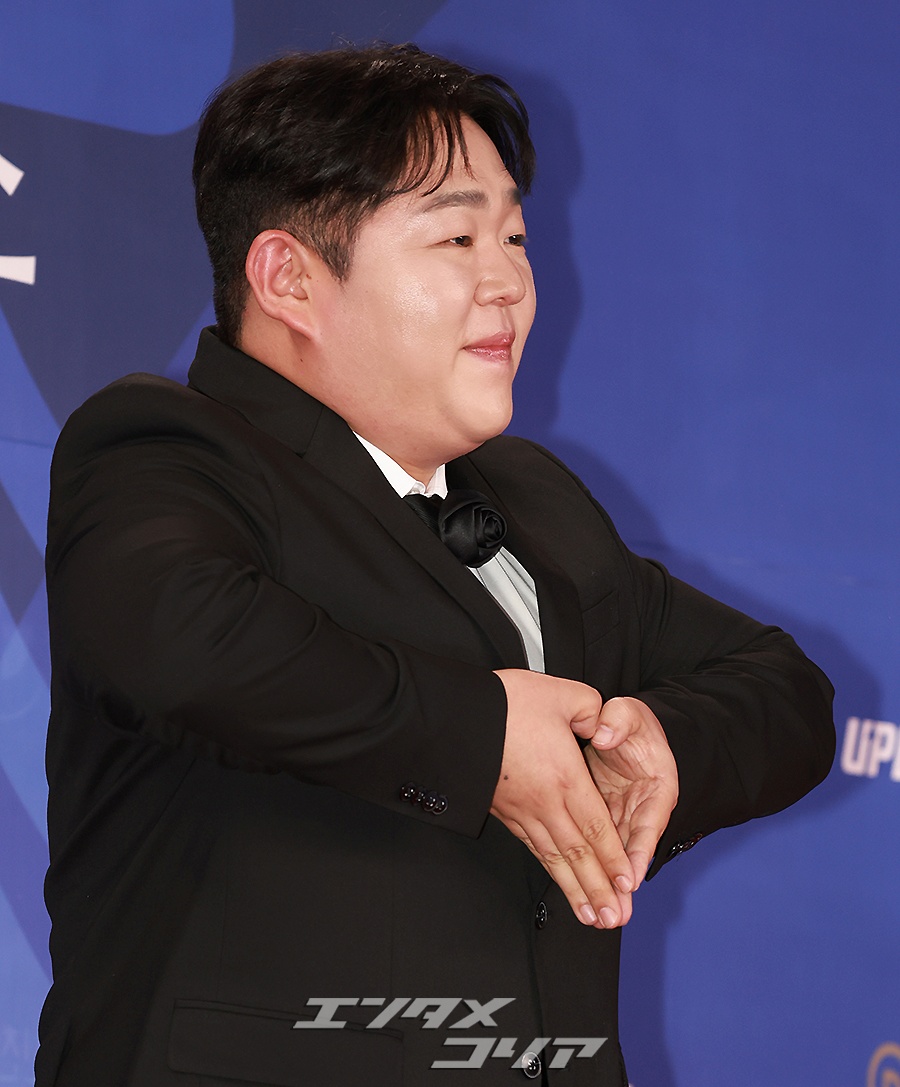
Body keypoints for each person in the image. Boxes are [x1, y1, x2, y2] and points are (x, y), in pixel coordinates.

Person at [36, 44, 834, 1086]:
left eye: (515, 236)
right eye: (457, 237)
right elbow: (185, 634)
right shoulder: (166, 449)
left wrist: (659, 746)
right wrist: (485, 740)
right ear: (289, 278)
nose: (510, 282)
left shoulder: (536, 500)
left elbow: (786, 690)